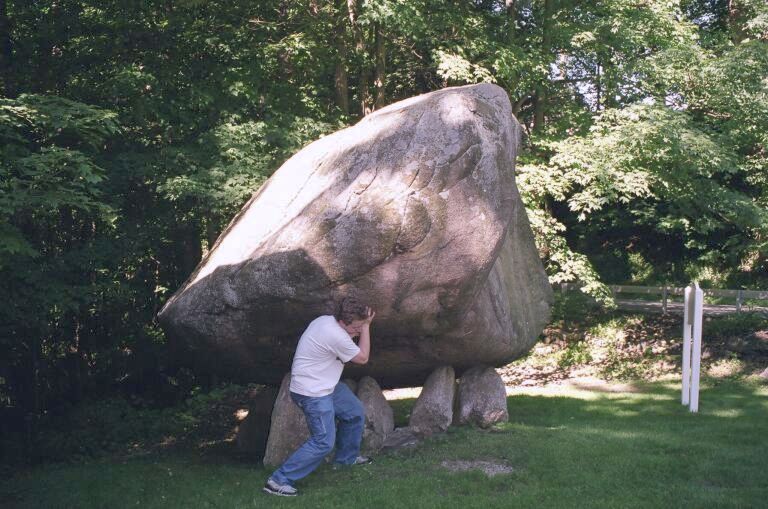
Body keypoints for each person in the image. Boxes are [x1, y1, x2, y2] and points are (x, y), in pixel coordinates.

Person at [263, 297, 376, 497]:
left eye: (360, 328)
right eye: (356, 327)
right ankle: (277, 481)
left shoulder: (325, 320)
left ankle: (345, 460)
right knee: (323, 441)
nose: (358, 332)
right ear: (344, 321)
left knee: (354, 412)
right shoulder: (335, 334)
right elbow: (363, 357)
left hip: (324, 385)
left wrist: (359, 325)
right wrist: (367, 327)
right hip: (312, 393)